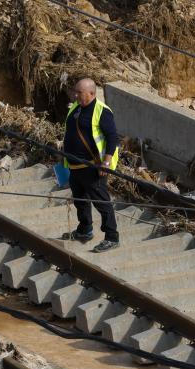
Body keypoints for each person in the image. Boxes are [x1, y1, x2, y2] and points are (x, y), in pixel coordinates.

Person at [61, 78, 122, 253]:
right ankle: (84, 229)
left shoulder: (102, 111)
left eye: (79, 93)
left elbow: (113, 139)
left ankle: (112, 236)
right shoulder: (75, 107)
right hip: (75, 166)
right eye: (75, 92)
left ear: (92, 93)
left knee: (102, 202)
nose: (75, 95)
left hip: (93, 167)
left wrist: (106, 162)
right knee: (80, 200)